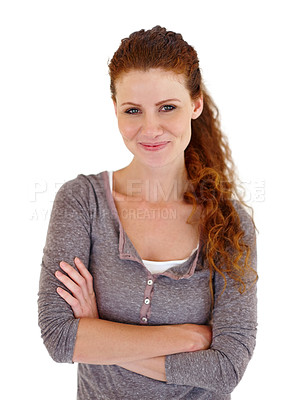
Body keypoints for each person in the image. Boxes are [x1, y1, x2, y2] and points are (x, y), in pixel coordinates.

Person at [38, 26, 258, 399]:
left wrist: (96, 333)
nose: (150, 128)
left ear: (196, 104)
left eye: (167, 108)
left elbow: (226, 369)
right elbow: (60, 338)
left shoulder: (230, 222)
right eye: (133, 110)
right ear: (115, 110)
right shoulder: (82, 201)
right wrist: (188, 338)